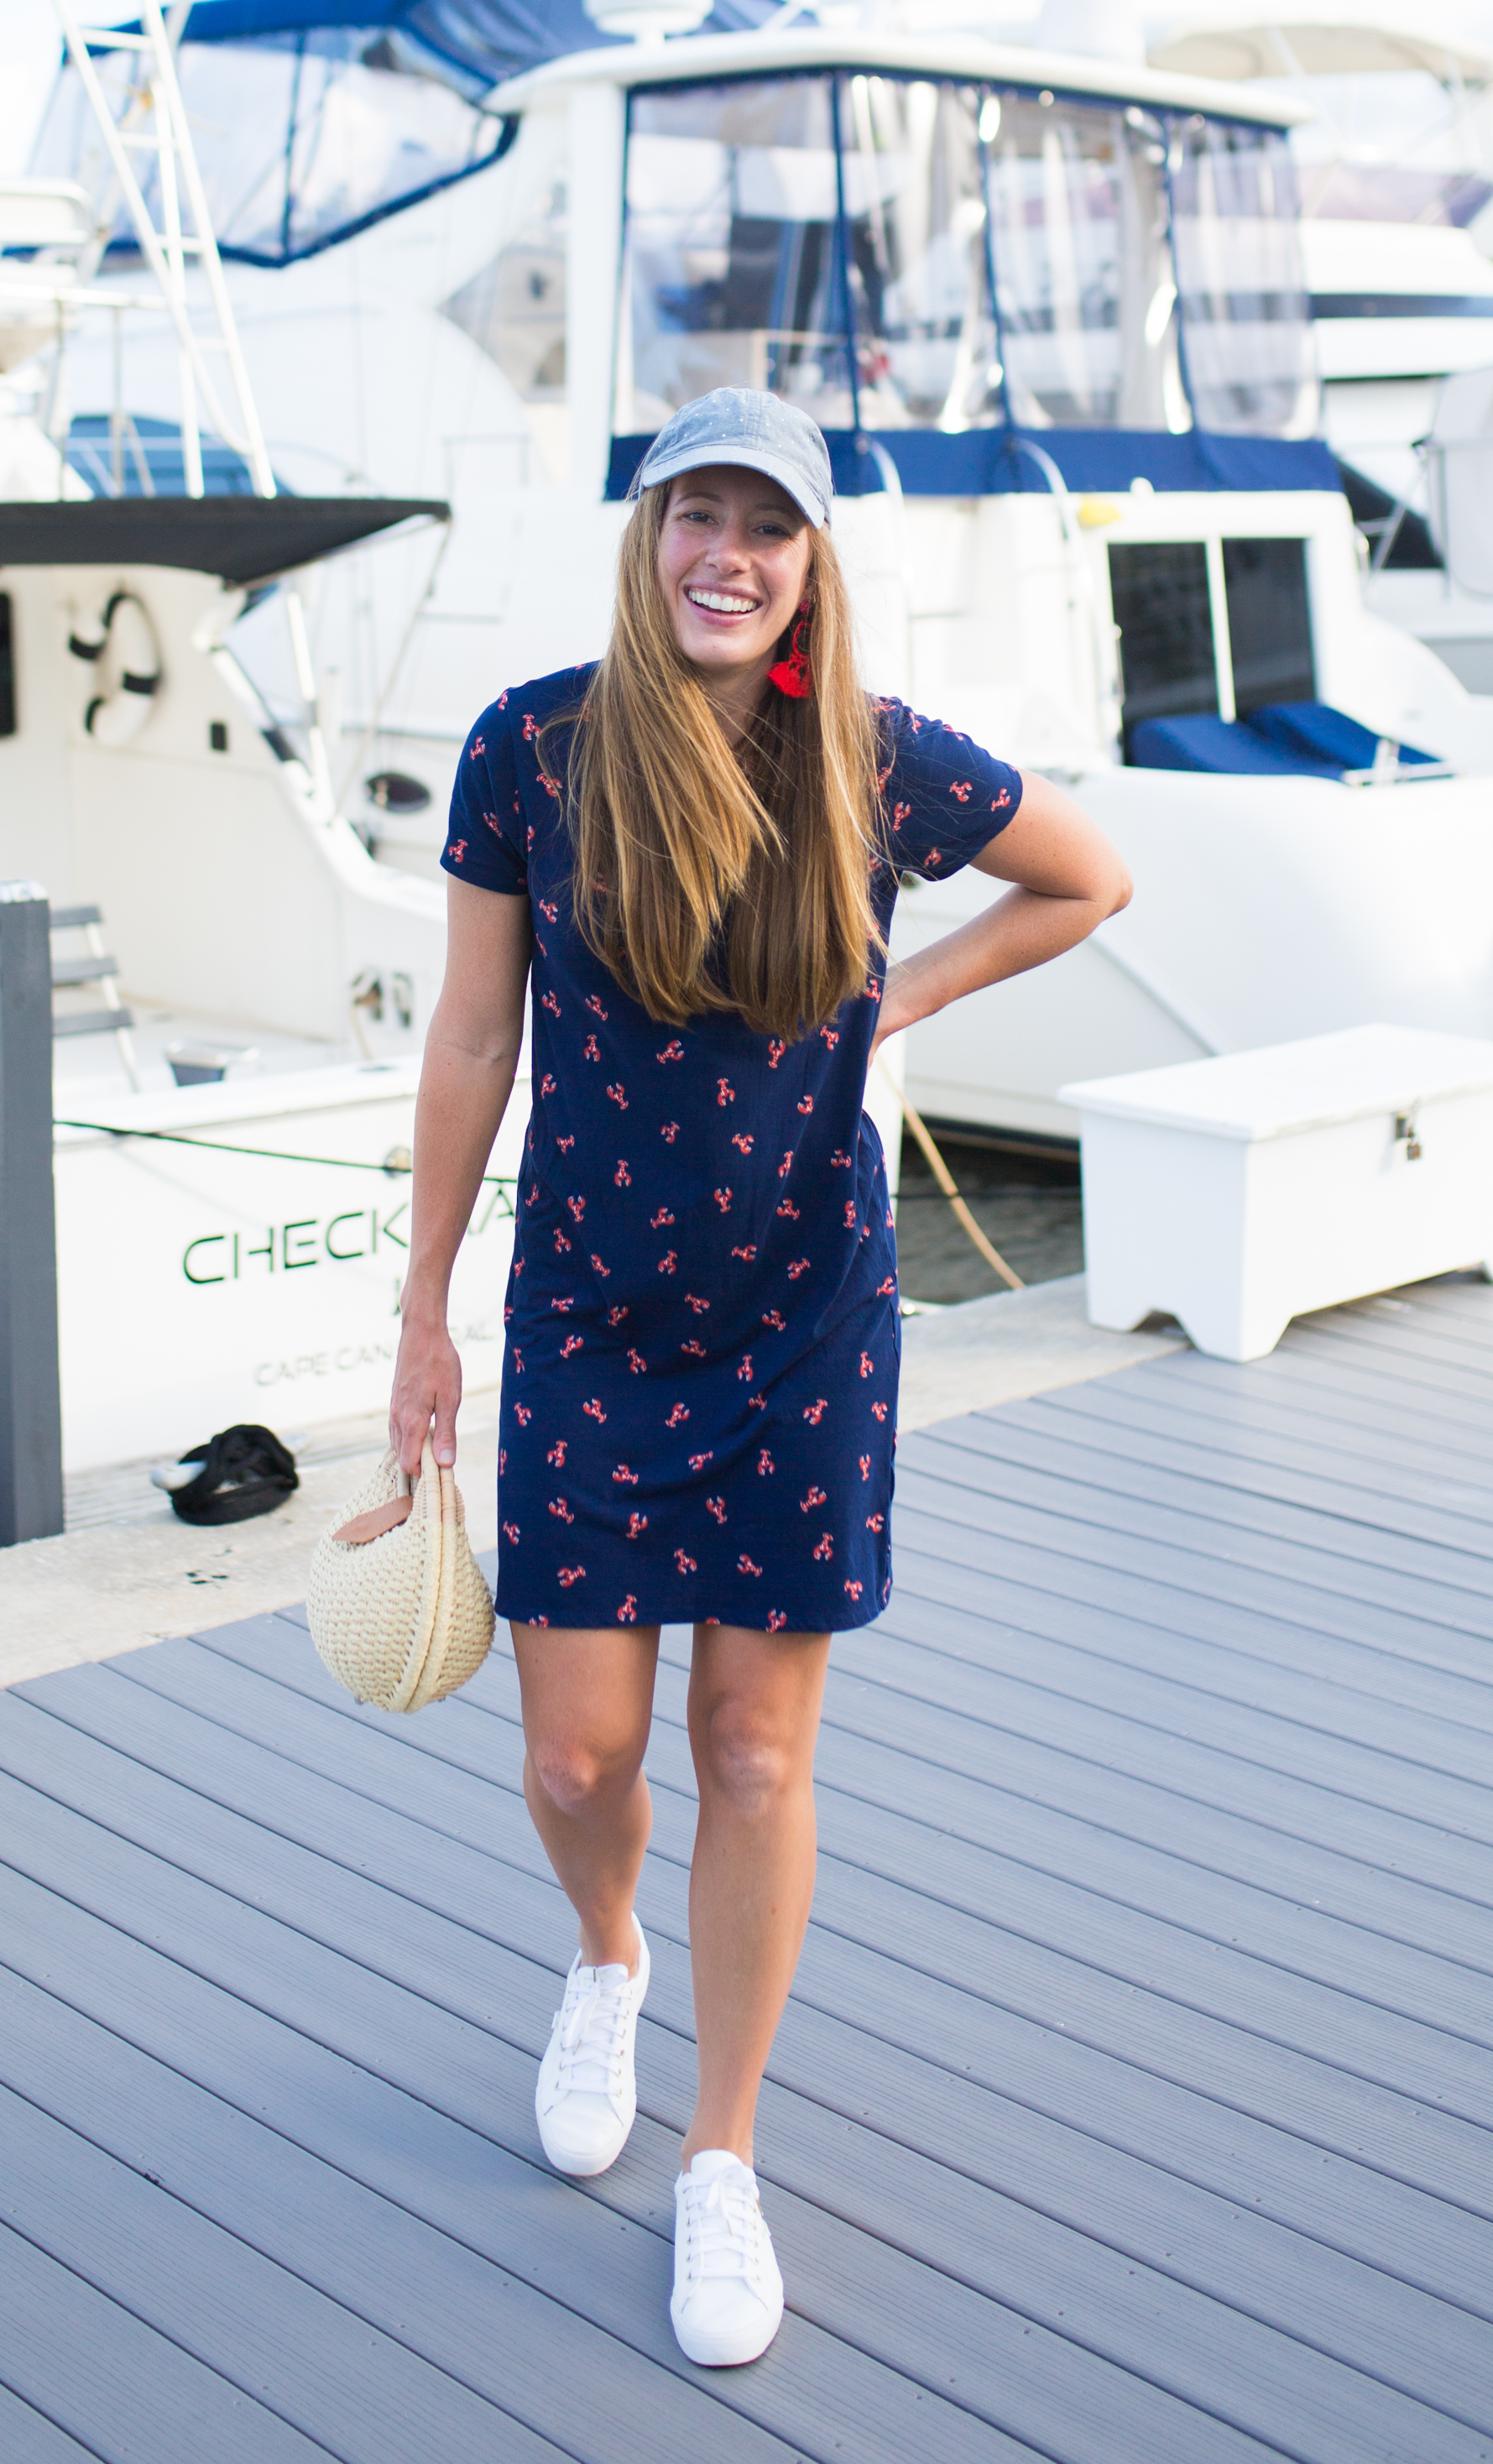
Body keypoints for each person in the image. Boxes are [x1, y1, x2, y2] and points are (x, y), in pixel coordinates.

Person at [390, 387, 1130, 2368]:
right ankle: (607, 1955)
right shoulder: (531, 747)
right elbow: (471, 1041)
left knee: (755, 1752)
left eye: (767, 526)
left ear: (811, 562)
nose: (726, 554)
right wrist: (417, 1317)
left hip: (803, 1320)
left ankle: (720, 2162)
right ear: (644, 540)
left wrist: (907, 985)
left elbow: (1084, 878)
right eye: (691, 516)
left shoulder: (868, 758)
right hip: (586, 1317)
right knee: (573, 1757)